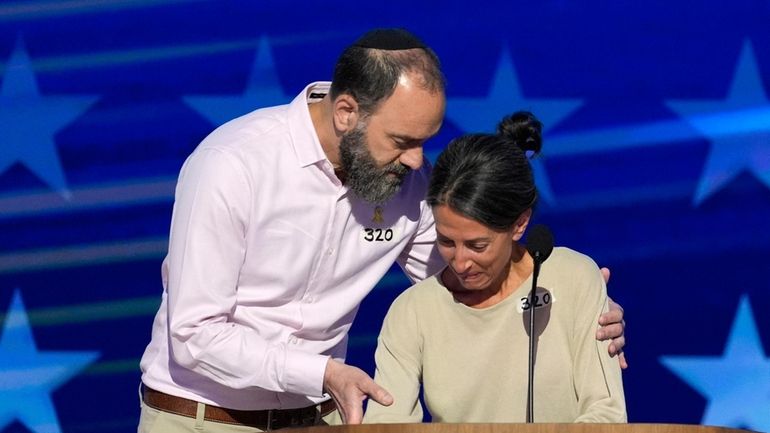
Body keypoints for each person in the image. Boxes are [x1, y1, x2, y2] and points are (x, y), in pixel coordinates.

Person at [138, 29, 626, 432]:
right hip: (201, 418)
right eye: (402, 141)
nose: (417, 161)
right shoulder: (231, 165)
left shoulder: (407, 181)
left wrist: (575, 304)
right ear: (347, 112)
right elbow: (194, 334)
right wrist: (323, 372)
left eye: (425, 142)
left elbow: (472, 275)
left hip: (322, 417)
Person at [364, 112, 627, 423]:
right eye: (446, 241)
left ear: (519, 224)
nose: (460, 262)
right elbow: (386, 426)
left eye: (477, 246)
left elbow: (606, 415)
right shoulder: (413, 311)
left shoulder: (573, 278)